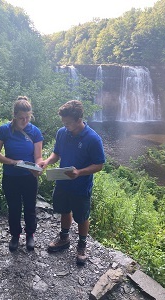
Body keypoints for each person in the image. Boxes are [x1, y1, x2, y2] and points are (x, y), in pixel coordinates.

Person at [39, 100, 105, 265]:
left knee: (82, 217)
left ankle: (82, 245)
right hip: (62, 182)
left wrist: (80, 172)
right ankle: (64, 238)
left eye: (68, 123)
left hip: (81, 187)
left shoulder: (93, 139)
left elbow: (99, 165)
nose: (65, 125)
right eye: (63, 122)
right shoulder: (62, 132)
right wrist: (46, 162)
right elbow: (57, 153)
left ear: (78, 120)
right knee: (64, 210)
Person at [0, 96, 43, 252]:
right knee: (13, 207)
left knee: (30, 207)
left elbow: (38, 156)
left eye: (27, 118)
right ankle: (15, 235)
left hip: (29, 177)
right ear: (14, 115)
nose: (25, 121)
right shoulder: (4, 130)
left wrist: (39, 166)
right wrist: (13, 162)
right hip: (10, 176)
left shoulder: (35, 131)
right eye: (21, 118)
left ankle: (30, 235)